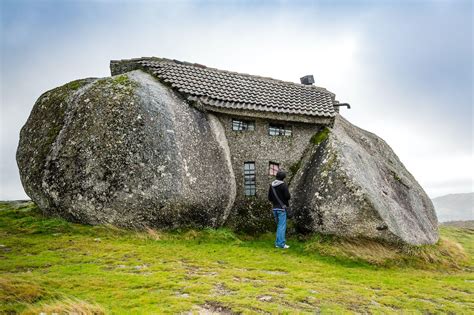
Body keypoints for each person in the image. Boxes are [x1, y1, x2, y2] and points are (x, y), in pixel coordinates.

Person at [268, 170, 291, 249]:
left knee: (279, 226)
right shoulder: (283, 185)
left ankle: (277, 243)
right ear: (283, 178)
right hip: (282, 209)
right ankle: (281, 244)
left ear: (276, 176)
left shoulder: (271, 185)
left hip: (274, 208)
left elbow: (269, 198)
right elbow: (288, 196)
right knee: (282, 226)